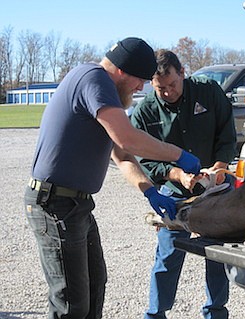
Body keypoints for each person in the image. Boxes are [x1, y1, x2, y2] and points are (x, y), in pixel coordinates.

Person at [24, 38, 201, 319]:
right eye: (139, 80)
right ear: (122, 71)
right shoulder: (94, 79)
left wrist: (149, 191)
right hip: (55, 203)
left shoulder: (105, 96)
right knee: (71, 304)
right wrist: (177, 154)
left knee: (94, 290)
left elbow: (122, 156)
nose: (140, 88)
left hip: (75, 206)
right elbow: (128, 139)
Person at [130, 49, 237, 319]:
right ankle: (156, 313)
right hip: (173, 194)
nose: (167, 92)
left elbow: (227, 132)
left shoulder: (209, 91)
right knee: (168, 256)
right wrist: (177, 175)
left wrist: (221, 167)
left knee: (217, 256)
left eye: (172, 85)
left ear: (183, 74)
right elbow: (144, 160)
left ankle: (215, 312)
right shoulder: (144, 112)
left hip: (216, 189)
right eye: (159, 88)